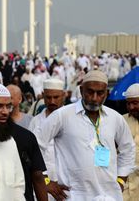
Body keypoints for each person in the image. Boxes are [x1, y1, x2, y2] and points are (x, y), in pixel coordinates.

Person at [36, 70, 136, 200]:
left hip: (109, 195)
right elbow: (37, 145)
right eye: (90, 92)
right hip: (73, 195)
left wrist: (121, 180)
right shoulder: (62, 115)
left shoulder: (115, 118)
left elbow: (128, 149)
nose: (94, 98)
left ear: (106, 93)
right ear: (81, 90)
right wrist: (46, 181)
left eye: (100, 93)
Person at [29, 78, 69, 200]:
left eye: (56, 97)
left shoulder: (72, 118)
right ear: (43, 96)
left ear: (63, 96)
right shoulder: (35, 121)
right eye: (48, 97)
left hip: (67, 185)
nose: (52, 101)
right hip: (42, 184)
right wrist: (46, 181)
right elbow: (31, 154)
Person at [123, 83, 139, 201]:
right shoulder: (121, 121)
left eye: (135, 103)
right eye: (128, 103)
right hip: (125, 183)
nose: (131, 107)